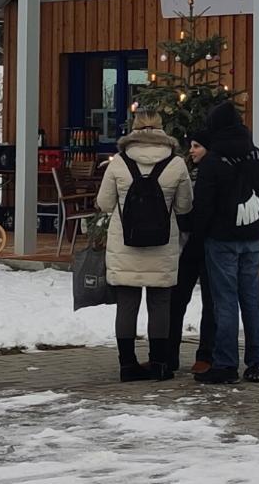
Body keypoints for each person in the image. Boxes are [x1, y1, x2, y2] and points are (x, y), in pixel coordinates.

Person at [95, 108, 194, 381]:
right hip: (162, 246)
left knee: (127, 304)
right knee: (160, 303)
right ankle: (159, 363)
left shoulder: (119, 163)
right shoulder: (176, 163)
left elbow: (104, 204)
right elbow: (185, 206)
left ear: (134, 128)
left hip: (125, 245)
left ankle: (127, 364)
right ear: (162, 129)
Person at [190, 101, 259, 386]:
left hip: (222, 241)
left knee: (224, 302)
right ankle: (257, 362)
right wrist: (258, 221)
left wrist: (198, 238)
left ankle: (226, 364)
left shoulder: (213, 161)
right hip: (252, 239)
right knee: (251, 301)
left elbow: (203, 207)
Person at [165, 135, 218, 375]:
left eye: (198, 146)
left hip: (208, 244)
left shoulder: (215, 172)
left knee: (211, 301)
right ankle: (168, 355)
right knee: (176, 301)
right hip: (187, 245)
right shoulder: (188, 172)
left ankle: (206, 354)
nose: (192, 151)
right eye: (191, 146)